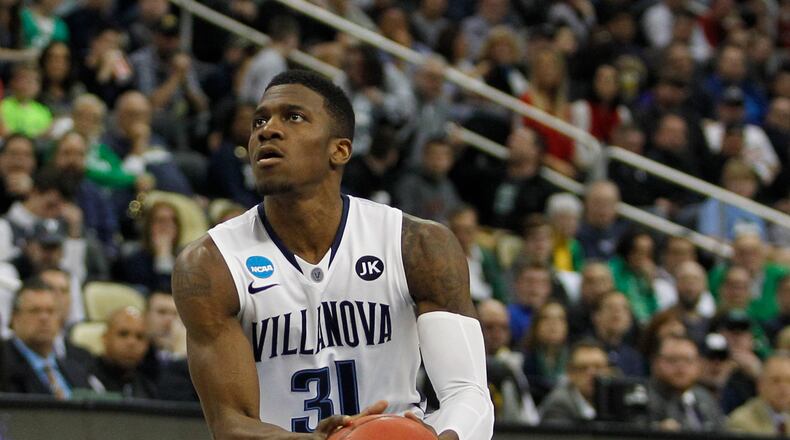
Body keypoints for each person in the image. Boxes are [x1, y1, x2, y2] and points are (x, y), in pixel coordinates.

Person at [171, 70, 494, 438]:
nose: (267, 130)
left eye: (293, 117)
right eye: (260, 120)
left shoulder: (417, 244)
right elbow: (230, 425)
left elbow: (468, 393)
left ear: (339, 150)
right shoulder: (211, 263)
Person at [647, 335, 724, 432]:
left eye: (688, 360)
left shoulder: (704, 397)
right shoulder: (646, 400)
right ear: (655, 363)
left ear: (698, 364)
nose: (681, 366)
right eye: (672, 360)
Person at [539, 340, 611, 425]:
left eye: (598, 367)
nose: (592, 374)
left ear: (608, 370)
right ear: (570, 372)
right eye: (582, 368)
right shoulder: (559, 404)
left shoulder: (614, 399)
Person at [726, 354, 790, 434]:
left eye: (788, 381)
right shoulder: (741, 422)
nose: (784, 387)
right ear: (761, 384)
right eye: (776, 381)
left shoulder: (786, 418)